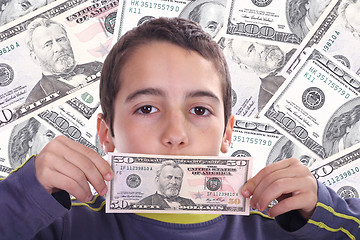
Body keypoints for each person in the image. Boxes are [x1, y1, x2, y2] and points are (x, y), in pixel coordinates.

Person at [0, 17, 359, 239]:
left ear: (227, 133)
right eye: (147, 108)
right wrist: (23, 194)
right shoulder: (61, 223)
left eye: (200, 109)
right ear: (106, 133)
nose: (175, 133)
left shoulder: (287, 223)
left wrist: (330, 212)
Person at [24, 17, 103, 104]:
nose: (59, 48)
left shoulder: (98, 66)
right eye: (48, 45)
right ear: (35, 58)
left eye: (61, 40)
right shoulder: (34, 100)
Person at [226, 38, 296, 111]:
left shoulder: (301, 48)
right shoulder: (267, 105)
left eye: (258, 39)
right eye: (251, 49)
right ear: (246, 68)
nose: (263, 47)